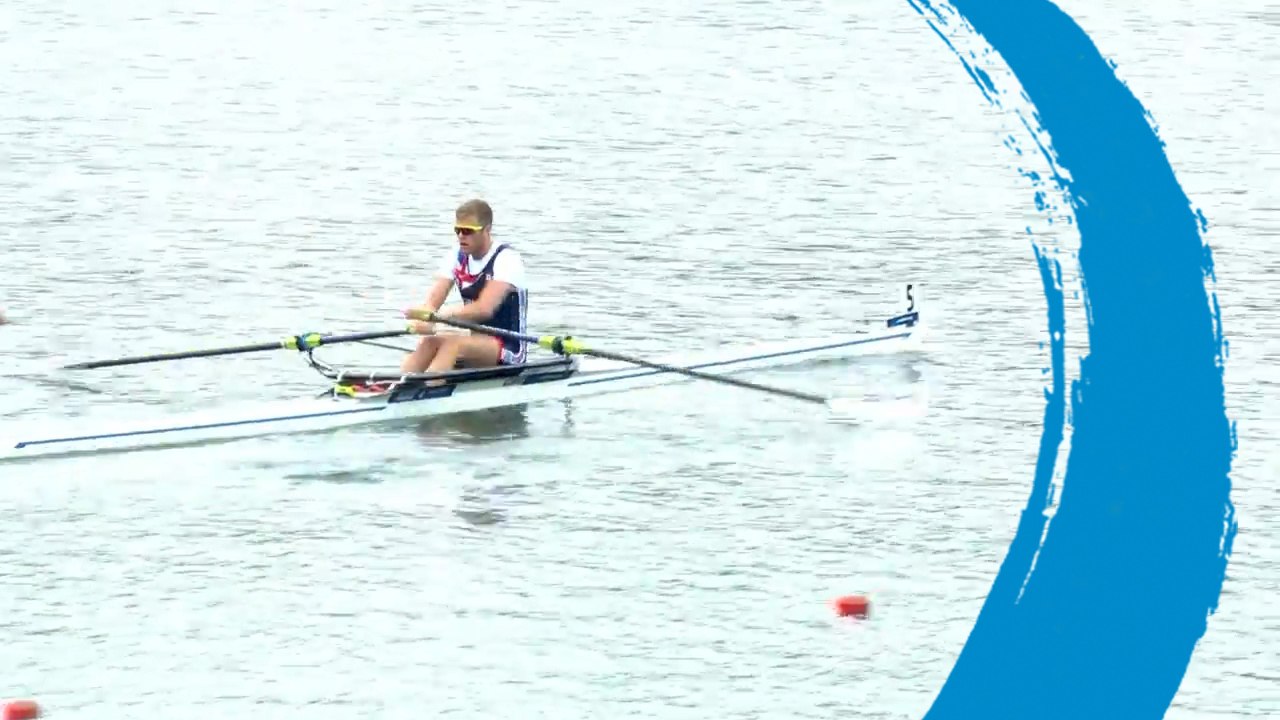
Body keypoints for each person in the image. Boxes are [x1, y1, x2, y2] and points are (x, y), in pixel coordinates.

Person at [400, 199, 528, 377]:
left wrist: (440, 317)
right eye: (457, 230)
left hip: (509, 347)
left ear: (487, 230)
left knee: (453, 343)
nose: (461, 236)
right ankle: (395, 387)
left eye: (468, 231)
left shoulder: (507, 259)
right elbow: (431, 303)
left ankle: (428, 390)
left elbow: (484, 309)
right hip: (475, 342)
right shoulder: (456, 256)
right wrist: (423, 317)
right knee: (429, 341)